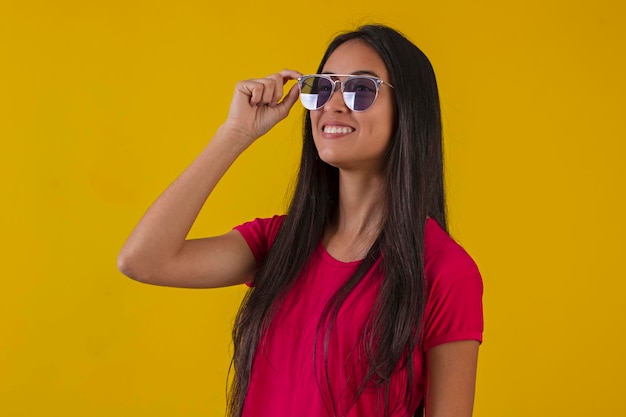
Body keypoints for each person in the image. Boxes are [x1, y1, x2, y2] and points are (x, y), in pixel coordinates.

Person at [118, 24, 483, 417]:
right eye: (323, 88)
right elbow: (143, 260)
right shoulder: (280, 242)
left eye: (361, 89)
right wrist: (235, 132)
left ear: (408, 111)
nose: (333, 105)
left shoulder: (444, 271)